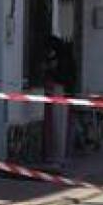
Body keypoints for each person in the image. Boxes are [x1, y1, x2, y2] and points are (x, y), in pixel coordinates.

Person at [42, 35, 76, 168]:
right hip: (65, 92)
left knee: (58, 124)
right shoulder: (66, 56)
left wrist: (49, 71)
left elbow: (61, 76)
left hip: (60, 91)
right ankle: (59, 156)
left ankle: (57, 157)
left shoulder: (62, 59)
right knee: (60, 124)